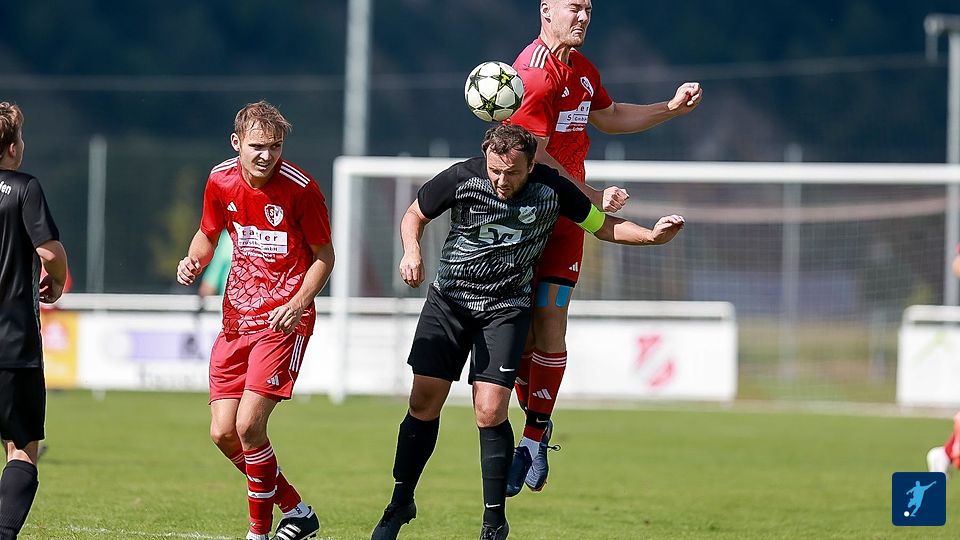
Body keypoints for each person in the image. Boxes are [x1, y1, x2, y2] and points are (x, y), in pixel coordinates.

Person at [370, 124, 684, 540]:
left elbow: (601, 225)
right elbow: (415, 213)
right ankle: (400, 502)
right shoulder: (463, 176)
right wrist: (411, 250)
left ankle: (493, 522)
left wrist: (651, 237)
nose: (502, 180)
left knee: (489, 411)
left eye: (512, 172)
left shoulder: (552, 188)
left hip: (505, 309)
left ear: (532, 164)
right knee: (423, 403)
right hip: (449, 302)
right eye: (495, 171)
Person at [502, 0, 703, 496]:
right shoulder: (533, 74)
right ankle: (537, 418)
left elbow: (610, 116)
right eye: (574, 8)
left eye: (588, 9)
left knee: (552, 319)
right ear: (546, 11)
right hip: (527, 219)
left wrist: (670, 108)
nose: (584, 17)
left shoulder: (582, 71)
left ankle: (532, 439)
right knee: (522, 338)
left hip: (567, 220)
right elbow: (536, 155)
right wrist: (590, 194)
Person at [176, 100, 334, 540]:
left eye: (275, 146)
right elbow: (207, 233)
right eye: (258, 146)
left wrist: (299, 303)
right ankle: (297, 511)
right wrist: (192, 260)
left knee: (249, 425)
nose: (267, 155)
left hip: (284, 319)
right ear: (237, 143)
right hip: (236, 317)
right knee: (224, 433)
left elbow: (325, 256)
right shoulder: (219, 180)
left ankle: (258, 533)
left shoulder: (301, 189)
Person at [0, 101, 69, 539]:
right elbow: (48, 251)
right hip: (13, 342)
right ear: (12, 147)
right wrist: (57, 279)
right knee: (22, 449)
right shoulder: (24, 188)